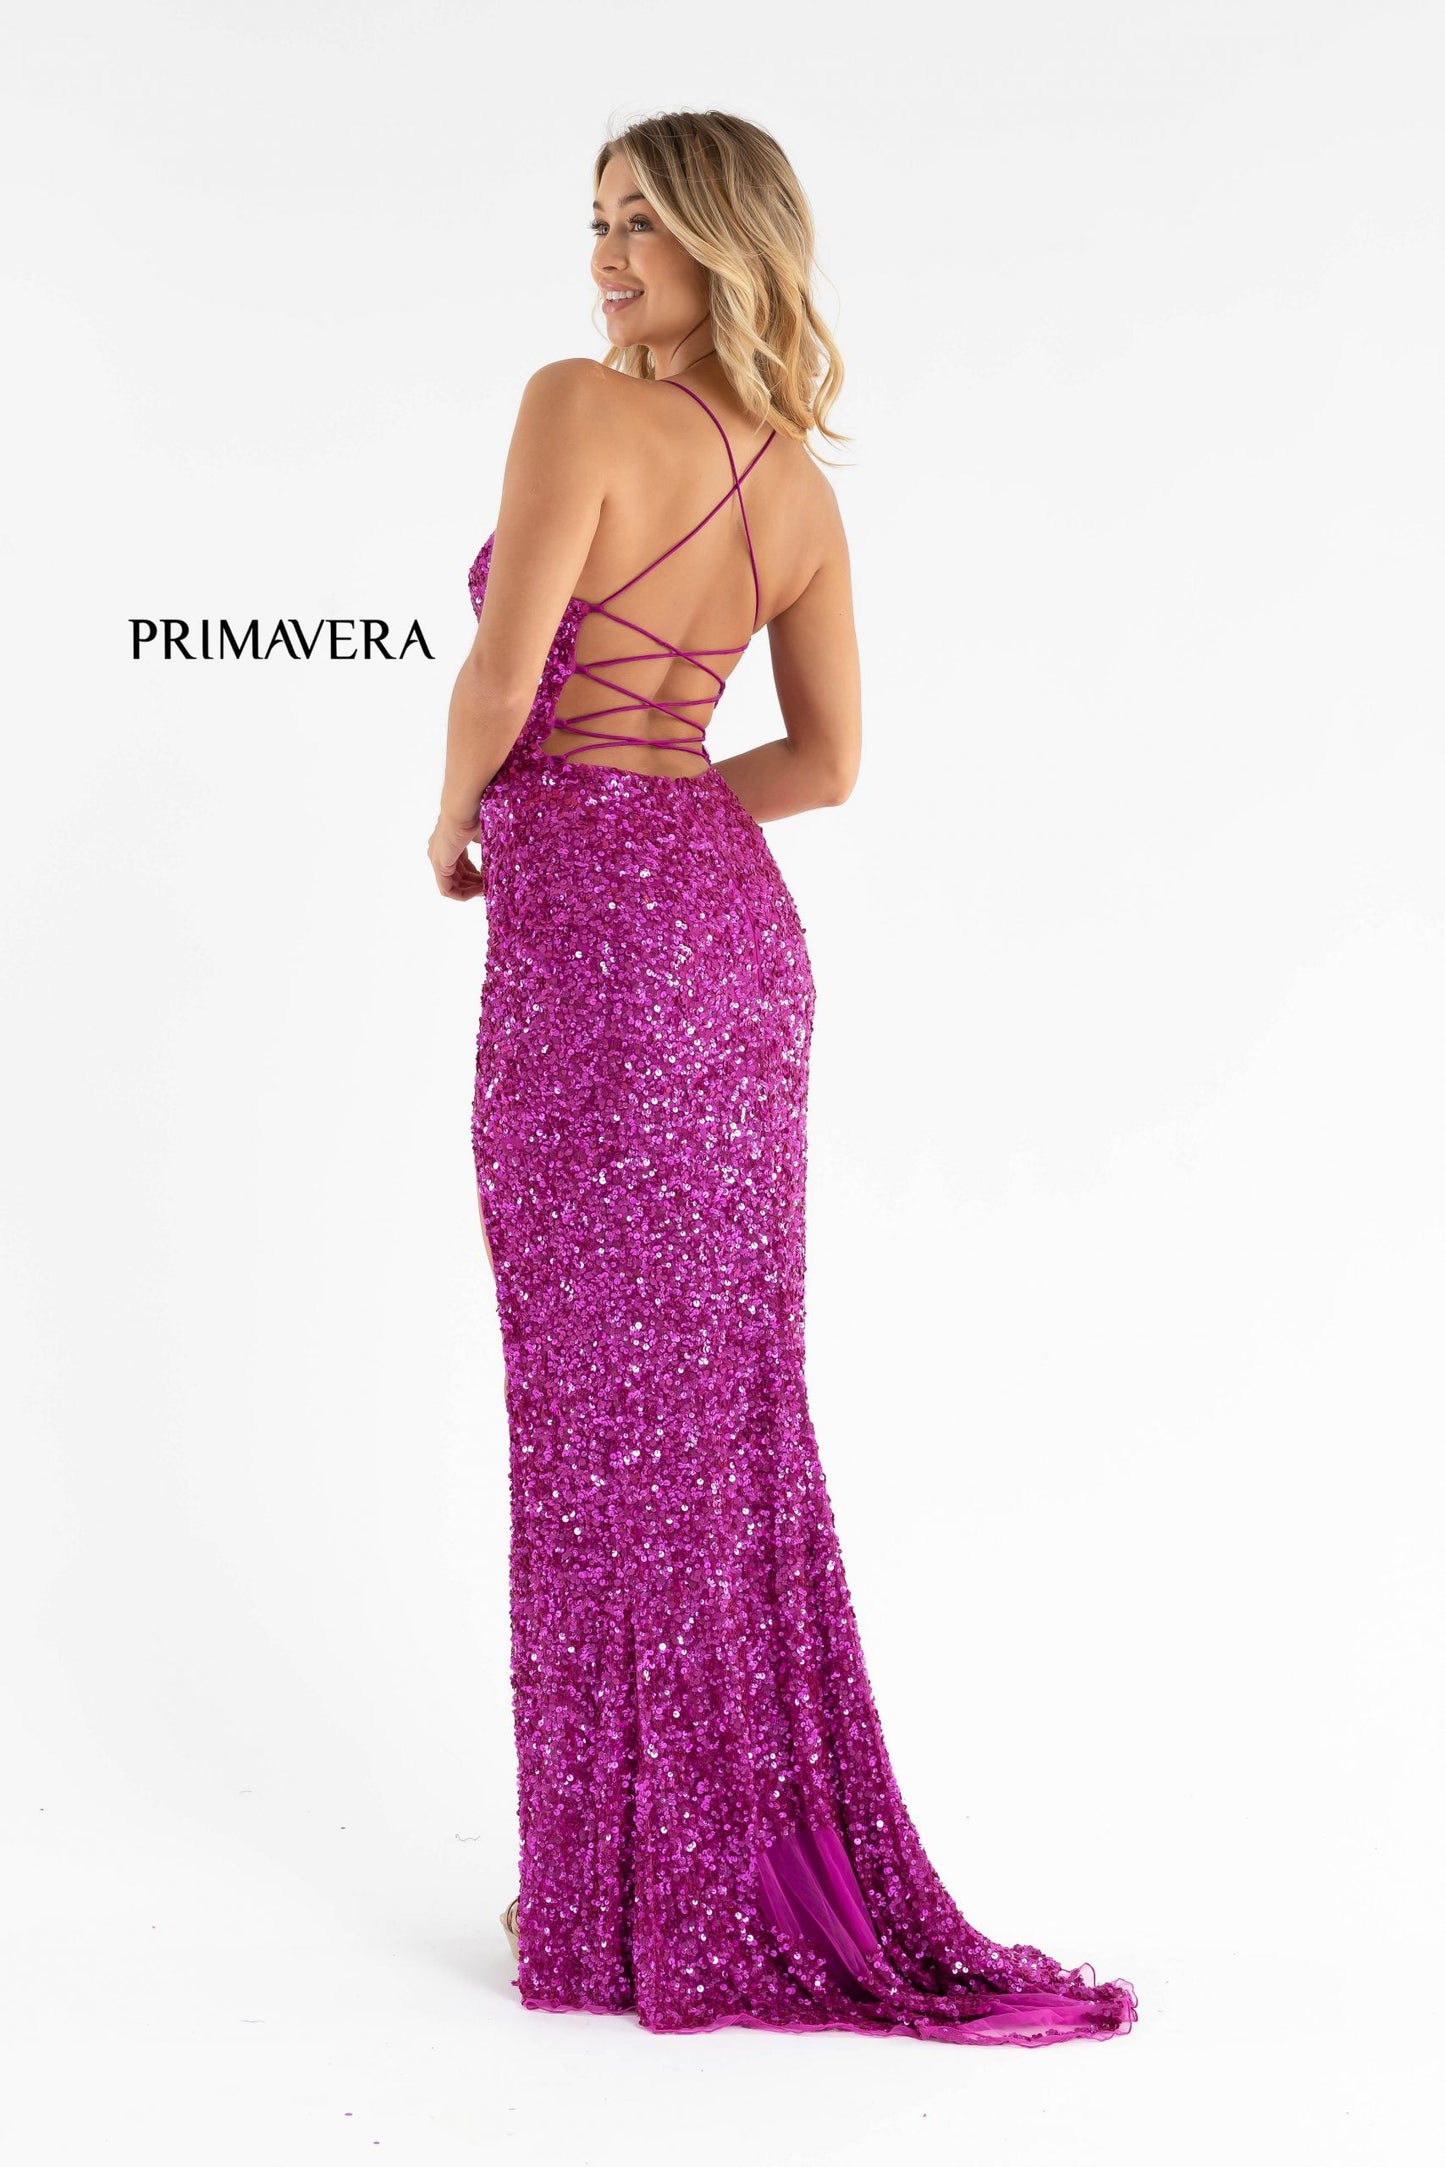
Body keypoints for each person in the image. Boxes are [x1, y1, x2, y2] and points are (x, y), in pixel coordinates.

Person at [427, 109, 1137, 2048]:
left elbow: (502, 678)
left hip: (596, 961)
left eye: (642, 224)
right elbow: (822, 764)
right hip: (733, 951)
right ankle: (662, 1865)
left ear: (725, 242)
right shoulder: (800, 490)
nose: (604, 257)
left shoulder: (573, 405)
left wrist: (460, 814)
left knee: (597, 1412)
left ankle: (614, 1888)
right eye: (594, 221)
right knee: (706, 1410)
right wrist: (660, 807)